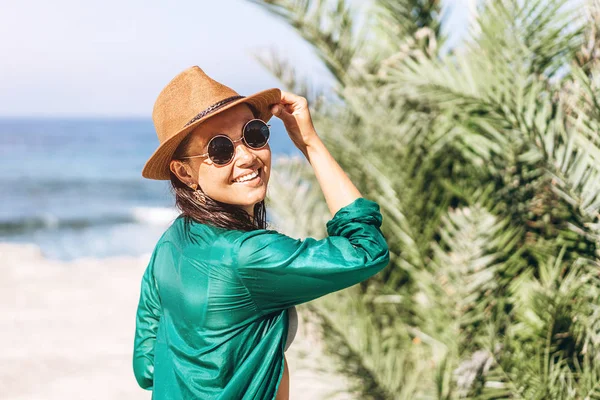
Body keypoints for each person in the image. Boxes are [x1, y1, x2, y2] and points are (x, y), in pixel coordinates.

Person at [132, 66, 390, 400]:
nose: (248, 158)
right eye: (220, 150)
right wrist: (310, 143)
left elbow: (147, 366)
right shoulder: (249, 255)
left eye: (254, 134)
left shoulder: (172, 241)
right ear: (184, 172)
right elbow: (366, 250)